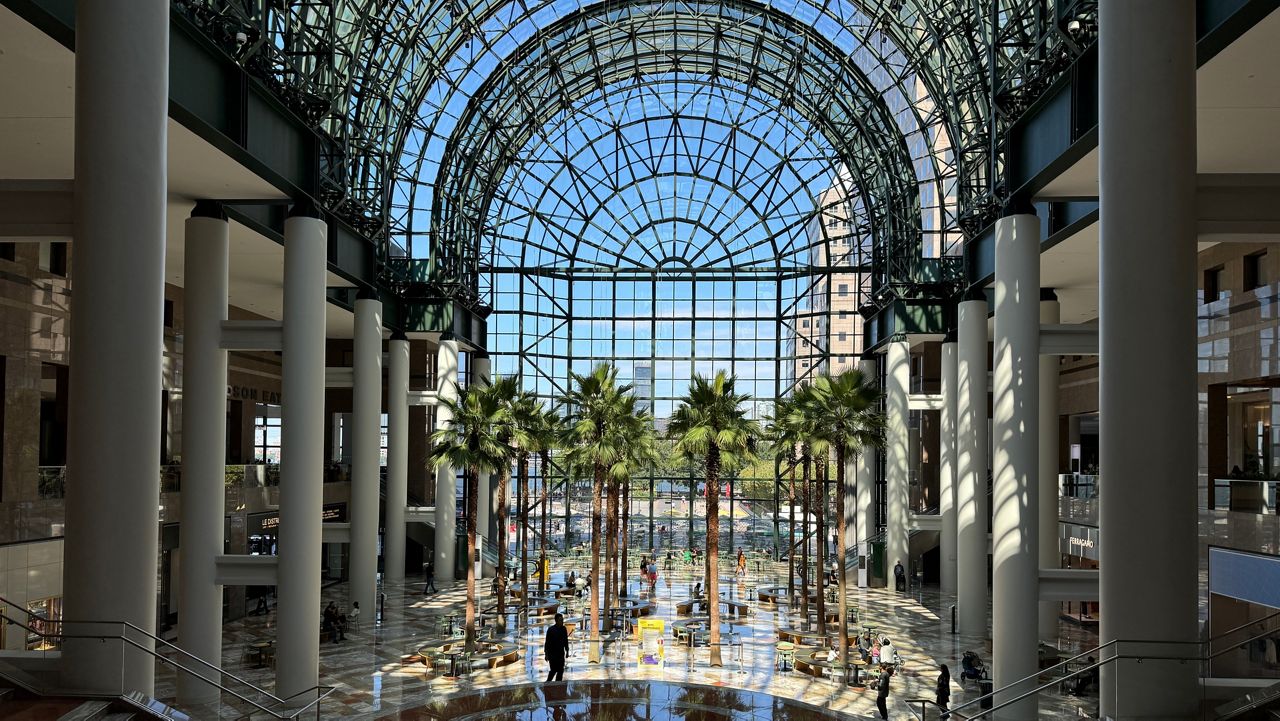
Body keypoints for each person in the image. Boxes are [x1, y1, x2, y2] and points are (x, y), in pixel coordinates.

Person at [544, 613, 570, 682]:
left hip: (561, 654)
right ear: (556, 621)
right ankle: (548, 683)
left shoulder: (564, 629)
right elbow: (547, 643)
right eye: (560, 620)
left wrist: (567, 651)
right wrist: (546, 655)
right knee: (553, 670)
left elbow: (565, 641)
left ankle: (558, 686)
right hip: (552, 655)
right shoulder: (551, 630)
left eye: (562, 620)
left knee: (560, 671)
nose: (562, 622)